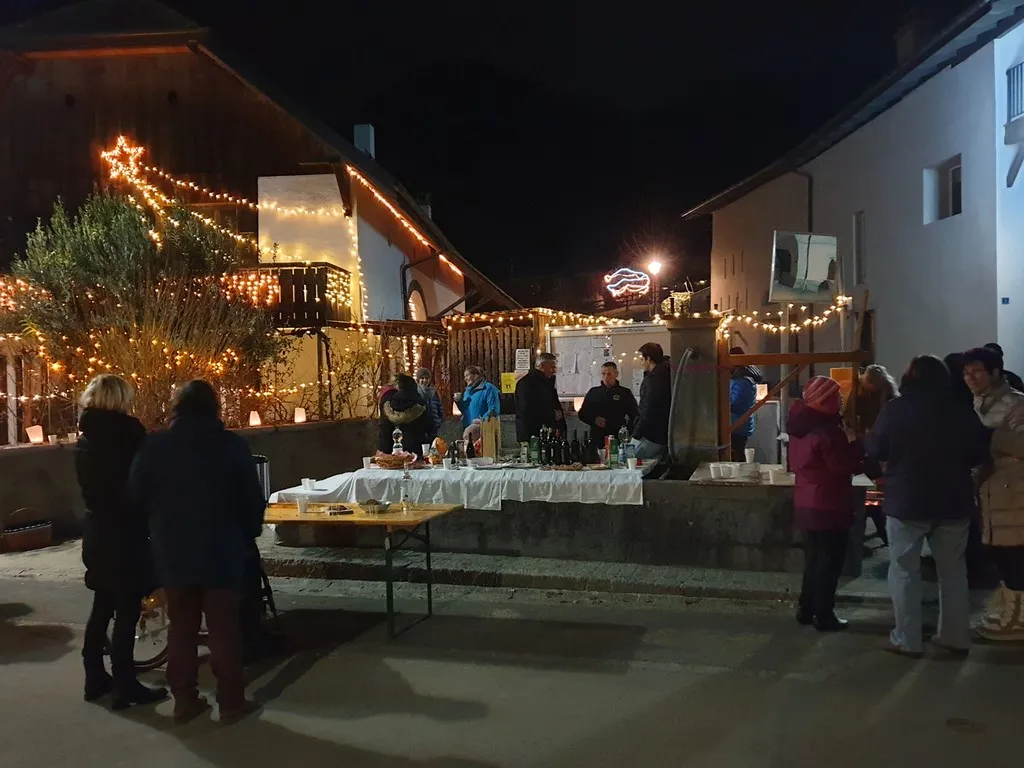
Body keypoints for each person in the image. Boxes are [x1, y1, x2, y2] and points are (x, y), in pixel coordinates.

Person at [129, 380, 265, 724]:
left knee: (182, 627)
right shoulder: (231, 446)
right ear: (213, 408)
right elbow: (252, 499)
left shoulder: (155, 447)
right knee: (224, 629)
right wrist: (247, 535)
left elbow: (136, 496)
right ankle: (231, 701)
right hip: (221, 549)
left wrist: (155, 531)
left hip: (173, 550)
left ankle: (185, 700)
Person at [866, 355, 990, 658]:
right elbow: (979, 453)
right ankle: (955, 636)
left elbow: (877, 449)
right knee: (953, 572)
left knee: (904, 571)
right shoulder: (961, 410)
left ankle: (906, 639)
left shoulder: (895, 410)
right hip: (954, 500)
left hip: (907, 499)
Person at [75, 374, 168, 710]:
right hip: (126, 534)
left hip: (98, 531)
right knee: (127, 610)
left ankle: (94, 677)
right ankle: (125, 684)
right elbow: (141, 486)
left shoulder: (85, 439)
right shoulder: (129, 437)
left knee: (102, 606)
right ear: (119, 399)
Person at [788, 376, 864, 632]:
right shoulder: (827, 431)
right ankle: (824, 614)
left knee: (813, 559)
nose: (840, 401)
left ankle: (806, 609)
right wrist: (855, 444)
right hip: (829, 504)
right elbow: (843, 466)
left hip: (806, 502)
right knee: (829, 563)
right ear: (824, 400)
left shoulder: (799, 426)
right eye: (835, 397)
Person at [963, 347, 1024, 641]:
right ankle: (1009, 609)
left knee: (1015, 552)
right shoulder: (975, 404)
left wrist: (990, 445)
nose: (970, 378)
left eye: (976, 371)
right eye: (966, 373)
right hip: (990, 491)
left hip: (1014, 490)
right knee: (1000, 552)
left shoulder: (1015, 403)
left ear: (995, 372)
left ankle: (1018, 617)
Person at [843, 364, 898, 546]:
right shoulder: (858, 392)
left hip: (879, 443)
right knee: (868, 488)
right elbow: (848, 416)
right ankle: (878, 528)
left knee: (877, 490)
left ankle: (882, 528)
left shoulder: (889, 397)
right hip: (865, 441)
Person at [578, 360, 639, 444]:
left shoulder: (624, 393)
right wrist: (594, 419)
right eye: (603, 374)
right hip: (598, 436)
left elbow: (635, 415)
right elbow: (582, 414)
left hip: (617, 436)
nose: (606, 377)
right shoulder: (594, 392)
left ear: (616, 374)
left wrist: (627, 431)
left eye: (609, 374)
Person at [631, 342, 672, 461]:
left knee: (630, 459)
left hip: (650, 434)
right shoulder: (666, 373)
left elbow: (648, 409)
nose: (641, 362)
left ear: (648, 359)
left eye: (642, 359)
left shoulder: (654, 380)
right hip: (663, 433)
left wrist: (636, 435)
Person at [378, 373, 432, 457]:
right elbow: (429, 427)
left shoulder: (389, 404)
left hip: (393, 453)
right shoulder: (421, 403)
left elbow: (385, 430)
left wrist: (383, 451)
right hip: (417, 451)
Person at [515, 352, 564, 442]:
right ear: (542, 366)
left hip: (547, 431)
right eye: (552, 367)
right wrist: (552, 414)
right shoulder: (526, 384)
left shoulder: (548, 383)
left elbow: (554, 403)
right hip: (531, 433)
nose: (554, 371)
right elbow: (527, 409)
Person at [728, 347, 761, 459]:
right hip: (736, 425)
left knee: (736, 456)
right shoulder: (737, 379)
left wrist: (719, 406)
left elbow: (736, 404)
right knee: (735, 455)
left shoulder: (744, 381)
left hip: (737, 426)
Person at [460, 365, 501, 431]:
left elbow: (493, 409)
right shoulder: (467, 392)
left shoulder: (488, 388)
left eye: (467, 375)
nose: (465, 379)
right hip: (468, 430)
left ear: (476, 375)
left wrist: (481, 421)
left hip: (484, 429)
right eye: (465, 376)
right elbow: (465, 410)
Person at [415, 367, 443, 442]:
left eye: (427, 378)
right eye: (422, 378)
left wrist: (439, 421)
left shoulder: (434, 392)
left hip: (434, 427)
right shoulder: (416, 392)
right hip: (420, 427)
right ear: (418, 379)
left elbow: (439, 408)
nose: (425, 380)